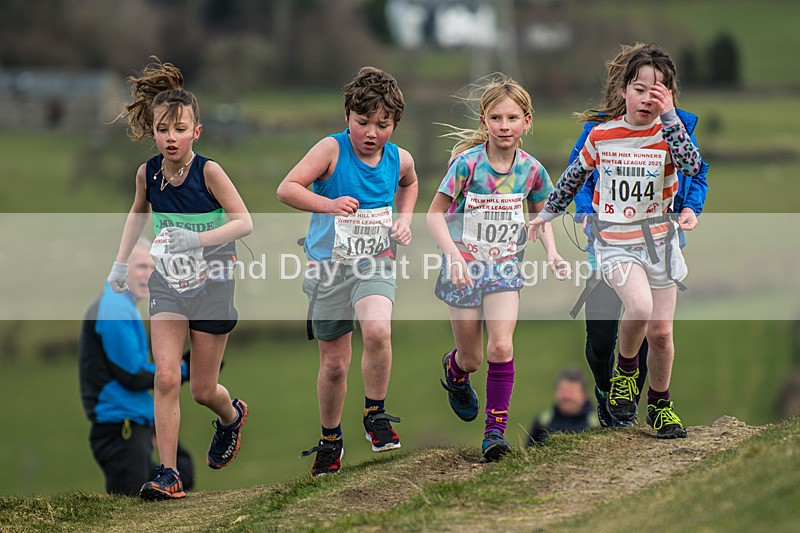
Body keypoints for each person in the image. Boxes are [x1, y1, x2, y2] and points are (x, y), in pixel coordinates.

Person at [531, 44, 703, 439]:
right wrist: (545, 215)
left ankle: (660, 405)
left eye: (657, 91)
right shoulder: (603, 134)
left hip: (661, 242)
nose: (647, 98)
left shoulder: (670, 135)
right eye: (639, 88)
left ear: (670, 96)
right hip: (616, 244)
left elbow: (693, 166)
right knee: (638, 306)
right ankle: (625, 373)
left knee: (661, 333)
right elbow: (573, 178)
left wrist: (671, 116)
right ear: (624, 89)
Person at [107, 58, 253, 499]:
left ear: (196, 132)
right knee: (166, 377)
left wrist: (198, 241)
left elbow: (244, 222)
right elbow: (137, 215)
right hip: (167, 284)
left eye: (180, 129)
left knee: (203, 389)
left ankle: (232, 416)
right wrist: (119, 263)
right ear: (153, 131)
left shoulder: (210, 172)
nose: (171, 137)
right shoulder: (147, 174)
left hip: (213, 284)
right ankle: (168, 474)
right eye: (163, 129)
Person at [276, 66, 419, 476]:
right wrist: (330, 203)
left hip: (375, 261)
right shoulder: (331, 151)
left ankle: (375, 413)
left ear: (394, 123)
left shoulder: (399, 157)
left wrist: (405, 220)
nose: (372, 132)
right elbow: (287, 189)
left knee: (377, 330)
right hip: (328, 270)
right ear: (347, 117)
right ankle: (330, 440)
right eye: (362, 122)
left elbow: (410, 182)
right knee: (335, 363)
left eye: (383, 124)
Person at [427, 74, 570, 462]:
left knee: (502, 345)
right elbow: (434, 215)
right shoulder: (466, 165)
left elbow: (543, 214)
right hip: (463, 266)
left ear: (527, 121)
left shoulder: (532, 170)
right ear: (484, 121)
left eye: (512, 118)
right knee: (471, 357)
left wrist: (553, 253)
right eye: (496, 118)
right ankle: (455, 372)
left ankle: (494, 433)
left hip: (505, 266)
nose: (504, 126)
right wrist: (453, 257)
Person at [80, 238, 195, 496]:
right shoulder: (113, 310)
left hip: (130, 424)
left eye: (154, 268)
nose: (149, 275)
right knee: (130, 511)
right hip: (121, 429)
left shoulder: (122, 305)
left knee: (180, 478)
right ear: (121, 268)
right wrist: (185, 369)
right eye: (142, 266)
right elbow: (133, 375)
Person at [526, 369, 599, 446]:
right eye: (562, 391)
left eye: (571, 391)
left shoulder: (597, 423)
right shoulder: (542, 422)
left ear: (584, 395)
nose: (566, 396)